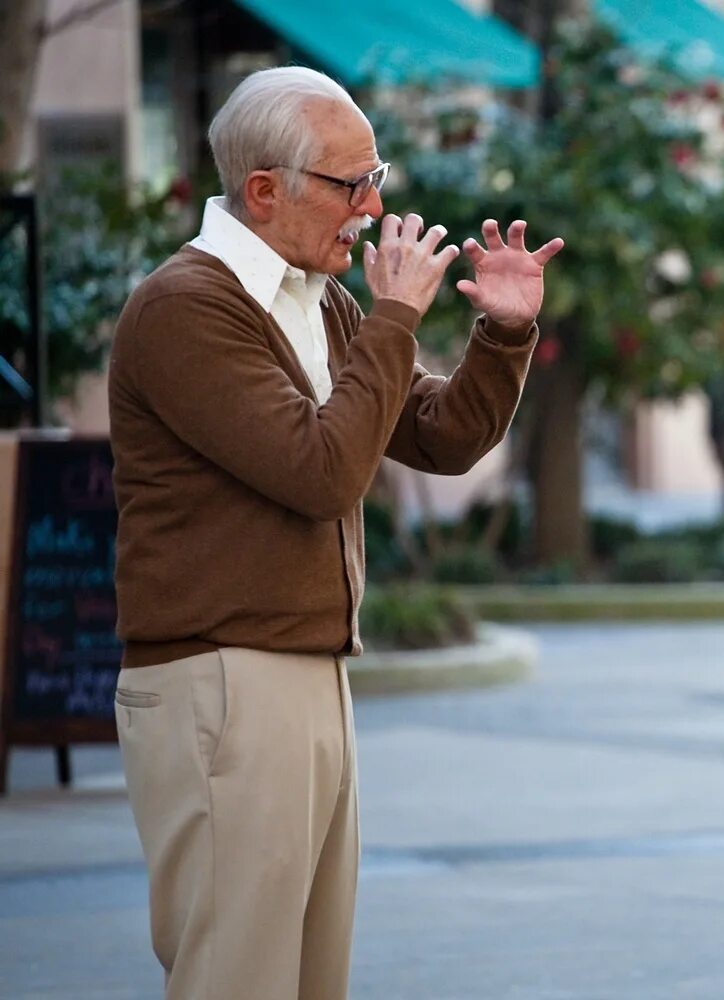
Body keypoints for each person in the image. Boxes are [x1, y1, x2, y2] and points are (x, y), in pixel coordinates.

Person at [108, 66, 561, 1000]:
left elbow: (437, 435)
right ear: (264, 191)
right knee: (236, 977)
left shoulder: (318, 296)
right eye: (350, 184)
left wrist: (504, 336)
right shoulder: (185, 306)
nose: (374, 204)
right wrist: (396, 315)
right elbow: (320, 474)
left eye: (376, 174)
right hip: (223, 678)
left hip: (307, 674)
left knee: (312, 980)